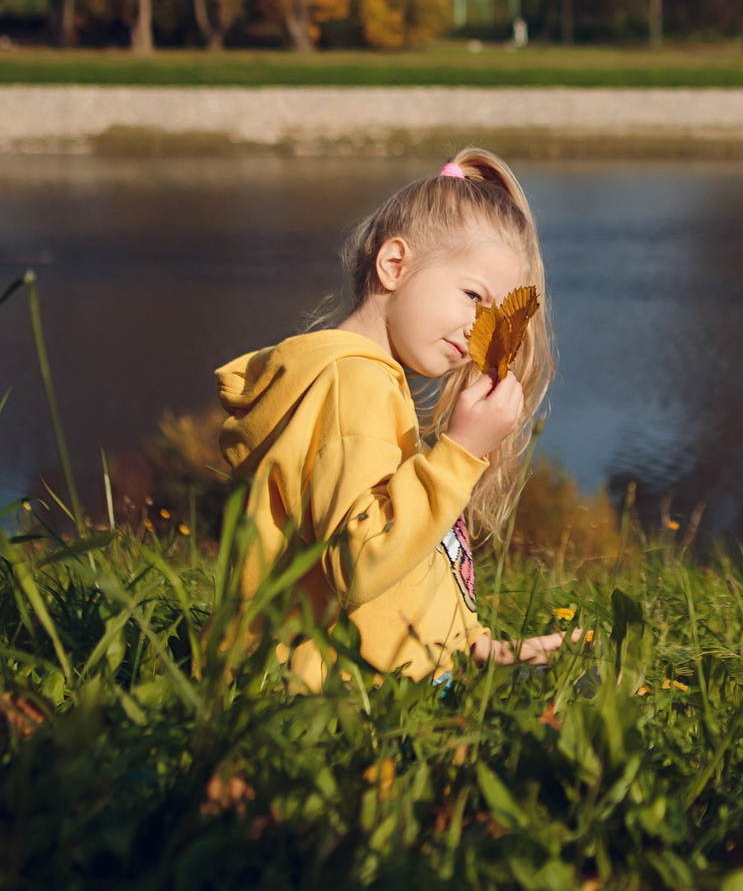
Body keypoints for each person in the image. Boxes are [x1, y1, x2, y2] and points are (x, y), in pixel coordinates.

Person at [215, 149, 567, 688]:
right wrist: (460, 454)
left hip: (390, 677)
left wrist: (470, 644)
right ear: (394, 265)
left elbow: (401, 561)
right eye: (473, 296)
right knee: (594, 703)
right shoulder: (352, 385)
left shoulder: (370, 380)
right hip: (336, 700)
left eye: (496, 313)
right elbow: (361, 563)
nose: (482, 331)